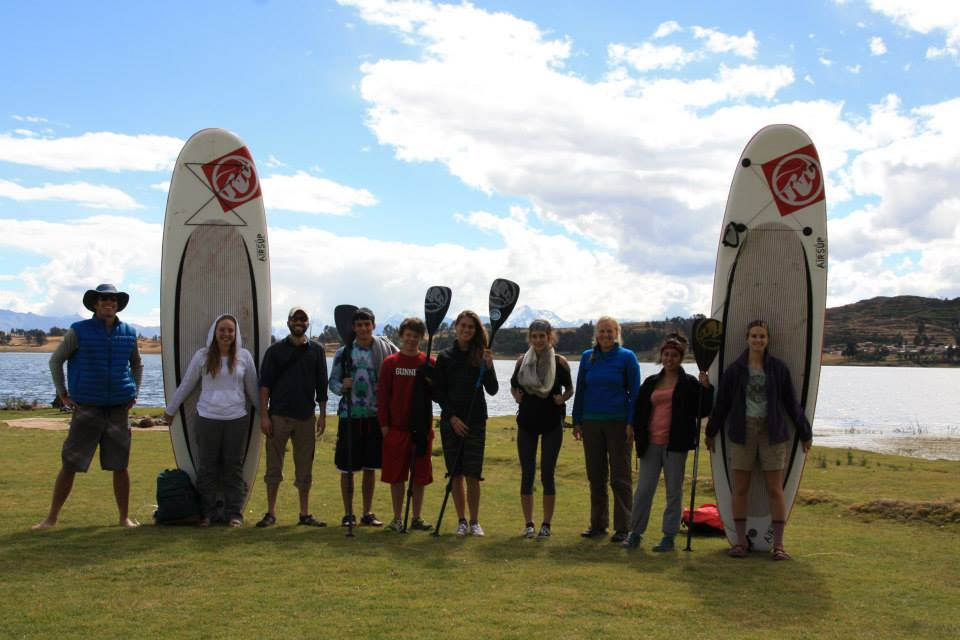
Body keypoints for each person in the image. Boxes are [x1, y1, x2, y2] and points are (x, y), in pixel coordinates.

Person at [34, 284, 143, 530]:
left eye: (113, 300)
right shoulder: (78, 331)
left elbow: (137, 365)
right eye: (104, 299)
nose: (109, 303)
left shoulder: (128, 332)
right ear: (95, 304)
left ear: (117, 304)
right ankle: (51, 518)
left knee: (121, 465)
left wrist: (134, 391)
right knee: (70, 463)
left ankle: (124, 518)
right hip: (87, 407)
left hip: (118, 409)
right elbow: (56, 360)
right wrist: (62, 393)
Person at [705, 320, 813, 560]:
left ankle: (779, 545)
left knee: (775, 489)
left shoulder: (778, 369)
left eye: (762, 336)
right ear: (747, 339)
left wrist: (805, 432)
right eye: (754, 336)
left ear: (767, 340)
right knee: (740, 488)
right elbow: (721, 405)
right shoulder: (734, 370)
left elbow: (791, 404)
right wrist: (710, 431)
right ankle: (740, 543)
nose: (758, 340)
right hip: (743, 432)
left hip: (771, 431)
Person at [163, 314, 259, 527]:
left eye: (230, 331)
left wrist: (265, 416)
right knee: (207, 467)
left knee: (232, 467)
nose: (226, 334)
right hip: (207, 418)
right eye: (222, 330)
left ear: (236, 334)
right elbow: (187, 384)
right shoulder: (202, 356)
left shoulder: (244, 357)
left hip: (236, 419)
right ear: (214, 333)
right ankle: (206, 513)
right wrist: (170, 410)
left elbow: (253, 390)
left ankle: (234, 513)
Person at [623, 334, 712, 551]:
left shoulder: (689, 383)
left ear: (681, 358)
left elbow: (702, 410)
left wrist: (707, 389)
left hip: (675, 445)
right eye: (666, 355)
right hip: (650, 443)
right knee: (644, 490)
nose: (669, 359)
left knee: (674, 491)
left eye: (674, 355)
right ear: (661, 356)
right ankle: (635, 533)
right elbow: (640, 409)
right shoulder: (651, 382)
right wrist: (632, 427)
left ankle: (668, 536)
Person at [255, 306, 328, 528]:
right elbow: (264, 385)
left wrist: (322, 415)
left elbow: (322, 386)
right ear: (288, 322)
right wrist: (264, 416)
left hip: (306, 417)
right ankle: (270, 512)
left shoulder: (317, 351)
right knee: (274, 466)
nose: (299, 322)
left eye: (302, 319)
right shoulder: (275, 351)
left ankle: (304, 513)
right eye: (295, 319)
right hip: (278, 417)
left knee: (305, 466)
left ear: (308, 323)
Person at [571, 316, 640, 543]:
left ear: (617, 333)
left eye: (610, 331)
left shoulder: (627, 358)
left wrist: (632, 422)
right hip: (591, 423)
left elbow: (636, 394)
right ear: (596, 334)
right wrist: (577, 419)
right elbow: (580, 389)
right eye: (601, 331)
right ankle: (598, 524)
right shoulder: (586, 357)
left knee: (620, 477)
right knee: (596, 476)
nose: (605, 335)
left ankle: (624, 528)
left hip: (619, 424)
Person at [329, 307, 398, 527]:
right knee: (347, 467)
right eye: (359, 325)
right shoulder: (343, 353)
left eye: (367, 324)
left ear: (373, 325)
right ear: (353, 327)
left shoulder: (384, 351)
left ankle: (367, 513)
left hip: (374, 416)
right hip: (350, 416)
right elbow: (332, 382)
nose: (363, 329)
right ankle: (348, 513)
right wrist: (342, 386)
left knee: (370, 467)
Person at [432, 310, 498, 537]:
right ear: (456, 327)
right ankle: (461, 521)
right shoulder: (445, 356)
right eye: (463, 326)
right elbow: (437, 393)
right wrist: (452, 417)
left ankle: (474, 522)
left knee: (472, 474)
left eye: (471, 327)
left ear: (476, 330)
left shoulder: (481, 355)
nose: (466, 330)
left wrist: (488, 366)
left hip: (476, 421)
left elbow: (493, 389)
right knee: (455, 474)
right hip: (451, 422)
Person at [509, 319, 573, 539]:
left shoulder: (560, 361)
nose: (538, 340)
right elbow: (513, 385)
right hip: (526, 424)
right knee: (527, 474)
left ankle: (546, 525)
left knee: (547, 474)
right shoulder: (521, 361)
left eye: (542, 336)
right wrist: (516, 396)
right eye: (534, 336)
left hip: (552, 425)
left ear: (549, 336)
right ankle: (529, 524)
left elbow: (570, 388)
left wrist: (561, 398)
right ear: (530, 338)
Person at [377, 317, 436, 532]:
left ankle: (417, 517)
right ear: (401, 336)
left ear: (422, 338)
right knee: (397, 477)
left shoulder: (429, 363)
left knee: (420, 476)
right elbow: (383, 396)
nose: (411, 340)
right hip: (397, 429)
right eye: (408, 335)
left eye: (416, 336)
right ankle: (397, 517)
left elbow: (438, 395)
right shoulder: (391, 363)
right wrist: (384, 426)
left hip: (421, 430)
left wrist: (432, 382)